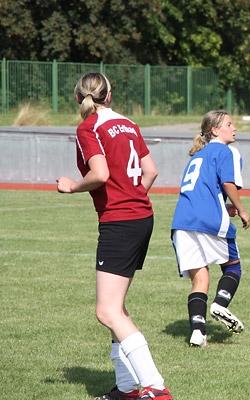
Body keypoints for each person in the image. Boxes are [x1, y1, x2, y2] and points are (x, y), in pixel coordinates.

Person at [56, 72, 173, 400]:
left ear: (78, 97)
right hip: (141, 217)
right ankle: (125, 388)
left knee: (106, 311)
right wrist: (132, 198)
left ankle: (155, 387)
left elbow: (101, 174)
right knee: (116, 308)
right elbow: (151, 171)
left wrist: (72, 186)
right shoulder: (129, 124)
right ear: (110, 95)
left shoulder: (88, 126)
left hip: (121, 222)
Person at [171, 110, 250, 348]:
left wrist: (224, 208)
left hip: (182, 222)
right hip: (208, 222)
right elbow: (227, 183)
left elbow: (202, 193)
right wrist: (241, 208)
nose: (234, 127)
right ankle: (221, 305)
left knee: (200, 278)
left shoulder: (197, 156)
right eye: (229, 123)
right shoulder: (227, 151)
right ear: (215, 130)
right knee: (233, 267)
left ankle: (197, 333)